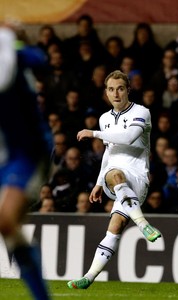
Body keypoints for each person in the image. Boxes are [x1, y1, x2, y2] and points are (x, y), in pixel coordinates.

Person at [67, 70, 161, 289]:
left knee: (115, 227)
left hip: (138, 178)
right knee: (114, 175)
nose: (116, 93)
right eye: (111, 89)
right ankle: (89, 277)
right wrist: (100, 183)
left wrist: (94, 133)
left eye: (120, 88)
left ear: (128, 90)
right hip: (115, 178)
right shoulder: (105, 118)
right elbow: (109, 155)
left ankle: (89, 277)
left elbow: (129, 138)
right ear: (106, 92)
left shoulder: (142, 112)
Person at [0, 26, 51, 299]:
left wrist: (17, 42)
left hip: (27, 153)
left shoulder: (9, 49)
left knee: (5, 219)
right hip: (3, 155)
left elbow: (39, 59)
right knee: (9, 229)